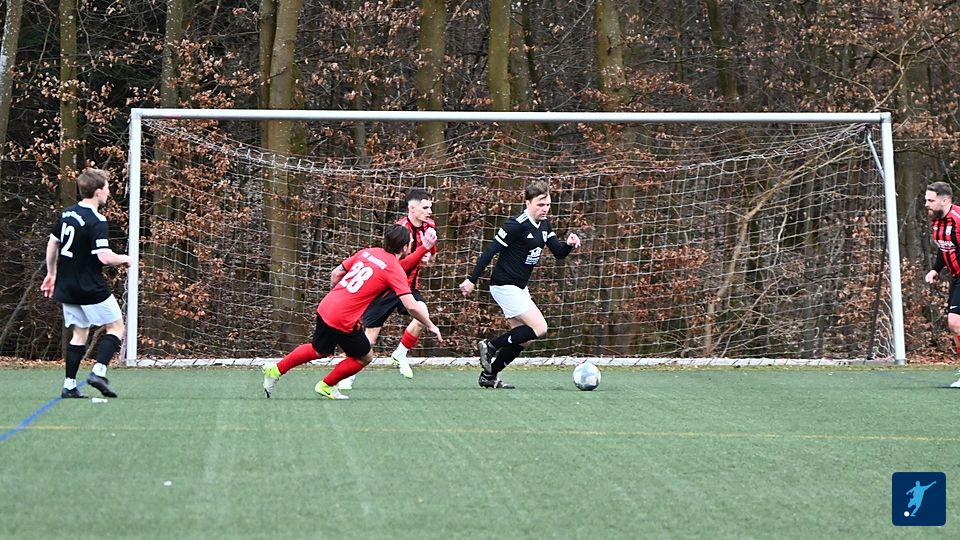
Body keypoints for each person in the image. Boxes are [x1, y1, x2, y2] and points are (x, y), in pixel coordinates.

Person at [261, 224, 442, 400]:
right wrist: (430, 325)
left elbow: (336, 273)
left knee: (319, 350)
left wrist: (339, 296)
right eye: (411, 242)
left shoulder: (368, 252)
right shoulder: (393, 269)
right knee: (365, 357)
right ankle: (326, 385)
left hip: (327, 306)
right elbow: (411, 306)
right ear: (404, 247)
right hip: (343, 319)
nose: (412, 244)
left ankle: (275, 370)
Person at [459, 181, 580, 388]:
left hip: (519, 287)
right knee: (540, 328)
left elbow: (559, 253)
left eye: (548, 205)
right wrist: (472, 279)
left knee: (523, 338)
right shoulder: (516, 225)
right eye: (540, 204)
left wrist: (568, 245)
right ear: (527, 203)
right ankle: (490, 345)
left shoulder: (545, 225)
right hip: (503, 285)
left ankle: (489, 376)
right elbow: (490, 251)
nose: (545, 209)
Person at [41, 168, 131, 399]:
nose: (109, 192)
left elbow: (53, 243)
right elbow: (104, 257)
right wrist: (125, 258)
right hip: (89, 286)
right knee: (116, 327)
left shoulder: (67, 214)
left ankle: (69, 386)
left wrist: (51, 274)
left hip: (67, 286)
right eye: (107, 188)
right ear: (98, 191)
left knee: (79, 333)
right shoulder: (97, 220)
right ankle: (98, 373)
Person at [338, 188, 438, 390]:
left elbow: (432, 257)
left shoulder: (430, 227)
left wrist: (429, 258)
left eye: (430, 207)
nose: (429, 211)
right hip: (386, 286)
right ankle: (347, 376)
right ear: (412, 208)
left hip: (408, 286)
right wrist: (422, 251)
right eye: (425, 208)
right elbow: (396, 267)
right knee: (370, 336)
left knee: (422, 316)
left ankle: (400, 353)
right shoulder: (400, 231)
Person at [923, 181, 960, 388]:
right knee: (956, 325)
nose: (926, 204)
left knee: (955, 323)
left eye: (931, 200)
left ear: (945, 201)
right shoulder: (937, 221)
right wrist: (936, 269)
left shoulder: (958, 220)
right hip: (956, 277)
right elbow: (943, 248)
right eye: (926, 200)